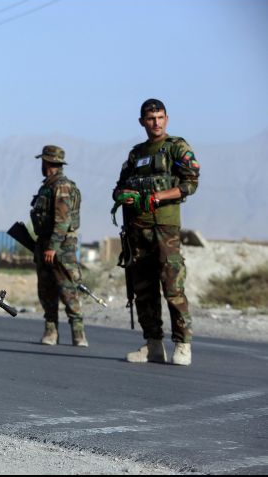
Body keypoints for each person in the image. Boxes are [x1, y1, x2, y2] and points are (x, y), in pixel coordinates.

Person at [113, 99, 200, 366]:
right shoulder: (135, 154)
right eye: (151, 118)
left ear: (167, 119)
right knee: (144, 289)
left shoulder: (176, 147)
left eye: (160, 117)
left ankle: (182, 344)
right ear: (142, 122)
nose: (156, 123)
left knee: (173, 287)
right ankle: (153, 344)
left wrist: (160, 196)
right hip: (137, 230)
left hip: (165, 229)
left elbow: (191, 183)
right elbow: (118, 188)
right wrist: (124, 196)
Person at [29, 145, 87, 347]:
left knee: (67, 289)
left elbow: (62, 220)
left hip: (60, 247)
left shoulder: (61, 186)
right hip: (45, 243)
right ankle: (51, 330)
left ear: (46, 162)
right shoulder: (48, 185)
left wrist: (52, 246)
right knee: (46, 290)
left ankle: (78, 333)